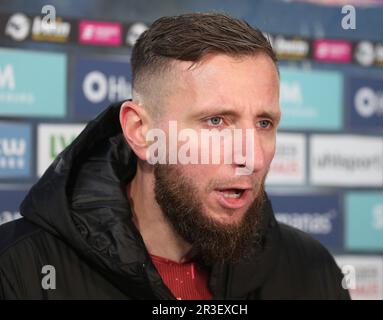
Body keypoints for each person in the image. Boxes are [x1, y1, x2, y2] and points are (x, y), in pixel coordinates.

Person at [0, 13, 350, 300]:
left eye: (264, 122)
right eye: (216, 121)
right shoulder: (18, 270)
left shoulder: (311, 271)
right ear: (140, 132)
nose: (252, 157)